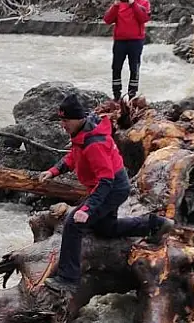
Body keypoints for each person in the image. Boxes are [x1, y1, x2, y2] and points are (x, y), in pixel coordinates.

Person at [38, 94, 174, 293]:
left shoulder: (94, 143)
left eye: (65, 120)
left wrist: (87, 208)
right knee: (106, 229)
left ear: (77, 118)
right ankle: (155, 224)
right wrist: (53, 171)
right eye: (61, 120)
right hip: (109, 186)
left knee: (74, 224)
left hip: (112, 188)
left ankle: (68, 279)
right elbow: (73, 157)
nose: (63, 125)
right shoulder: (81, 134)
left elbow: (106, 180)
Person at [103, 0, 151, 101]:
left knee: (134, 68)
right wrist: (115, 6)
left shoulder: (144, 3)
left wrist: (133, 4)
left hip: (136, 41)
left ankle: (132, 95)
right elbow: (107, 20)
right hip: (120, 41)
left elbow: (144, 18)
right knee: (116, 67)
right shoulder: (119, 4)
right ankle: (116, 95)